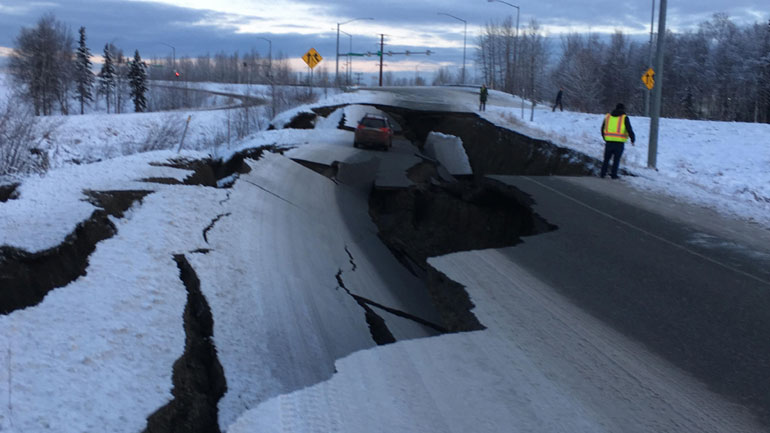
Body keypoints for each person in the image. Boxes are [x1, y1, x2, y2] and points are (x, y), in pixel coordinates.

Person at [600, 103, 635, 179]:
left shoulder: (608, 117)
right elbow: (629, 129)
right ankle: (613, 174)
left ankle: (603, 173)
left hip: (609, 142)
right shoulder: (624, 118)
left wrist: (605, 137)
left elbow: (602, 128)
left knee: (606, 159)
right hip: (619, 143)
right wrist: (632, 139)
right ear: (623, 109)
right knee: (616, 160)